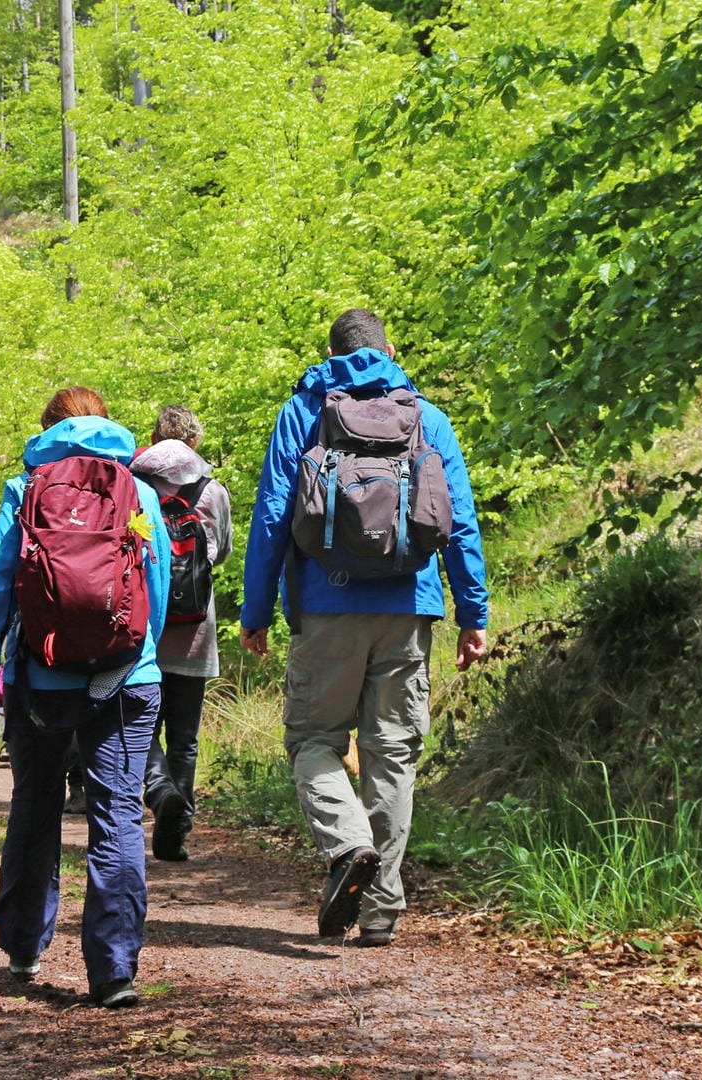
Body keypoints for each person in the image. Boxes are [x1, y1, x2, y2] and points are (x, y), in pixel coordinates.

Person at [239, 310, 488, 948]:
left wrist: (256, 609)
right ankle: (379, 913)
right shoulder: (425, 416)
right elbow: (458, 521)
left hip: (327, 604)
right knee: (392, 755)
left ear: (330, 352)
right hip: (409, 607)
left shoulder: (304, 411)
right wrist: (473, 614)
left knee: (313, 740)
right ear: (391, 349)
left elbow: (272, 515)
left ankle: (348, 844)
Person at [0, 387, 168, 1009]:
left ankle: (24, 946)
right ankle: (114, 972)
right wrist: (137, 653)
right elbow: (155, 585)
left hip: (40, 682)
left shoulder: (23, 487)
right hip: (126, 677)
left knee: (36, 805)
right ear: (105, 424)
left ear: (48, 428)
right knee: (117, 815)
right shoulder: (140, 489)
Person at [130, 405, 233, 861]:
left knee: (141, 724)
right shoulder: (213, 491)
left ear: (153, 439)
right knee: (186, 738)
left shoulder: (134, 484)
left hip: (144, 629)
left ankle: (158, 788)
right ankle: (176, 833)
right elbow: (221, 553)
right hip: (196, 631)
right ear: (194, 442)